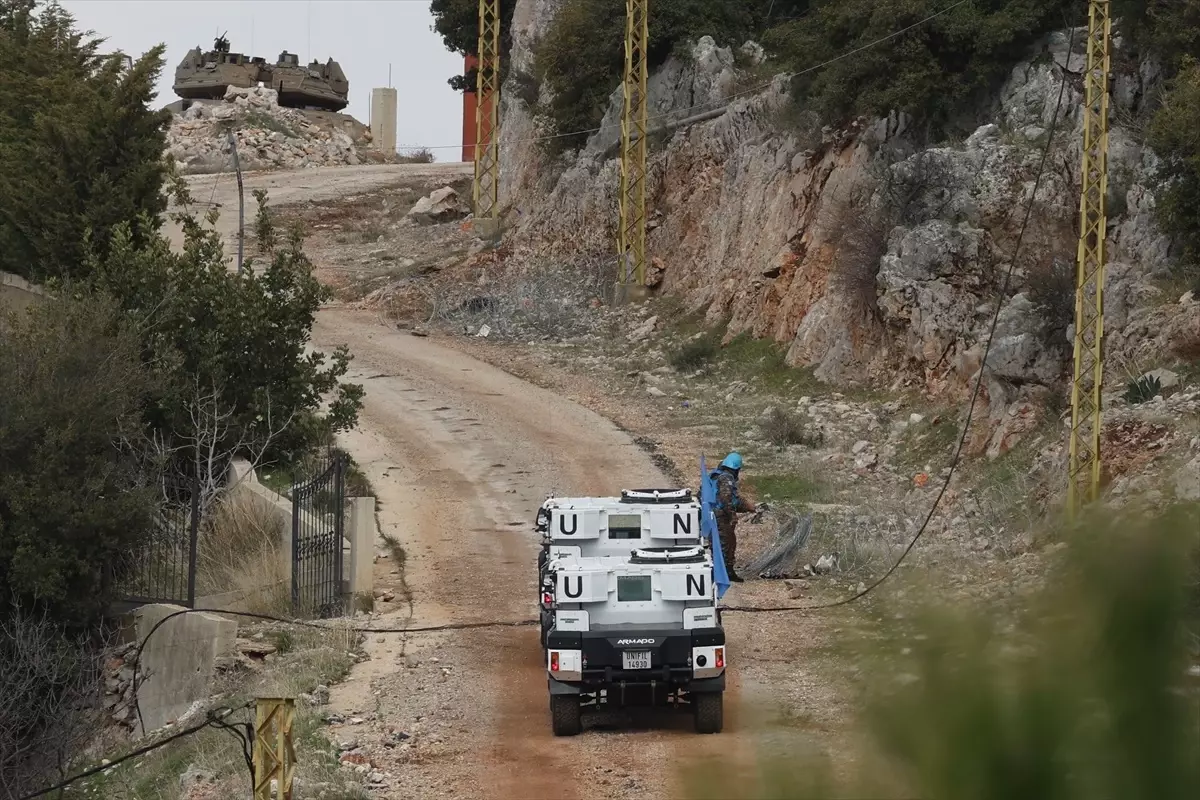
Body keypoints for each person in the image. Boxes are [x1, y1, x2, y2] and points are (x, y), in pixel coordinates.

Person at [711, 452, 755, 583]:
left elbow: (732, 500)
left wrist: (747, 506)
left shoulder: (716, 475)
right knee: (726, 543)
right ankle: (725, 573)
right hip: (721, 516)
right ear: (737, 468)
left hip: (712, 515)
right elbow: (726, 499)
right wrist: (732, 516)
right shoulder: (726, 479)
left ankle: (722, 571)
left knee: (721, 543)